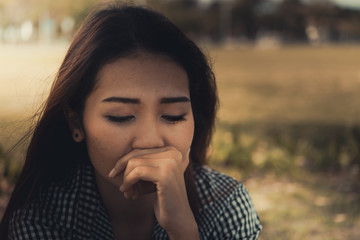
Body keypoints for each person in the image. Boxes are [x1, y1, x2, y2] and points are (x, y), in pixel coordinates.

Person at [0, 2, 262, 240]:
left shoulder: (225, 204)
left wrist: (184, 231)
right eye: (121, 117)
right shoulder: (43, 218)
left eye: (174, 116)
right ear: (76, 123)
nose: (149, 140)